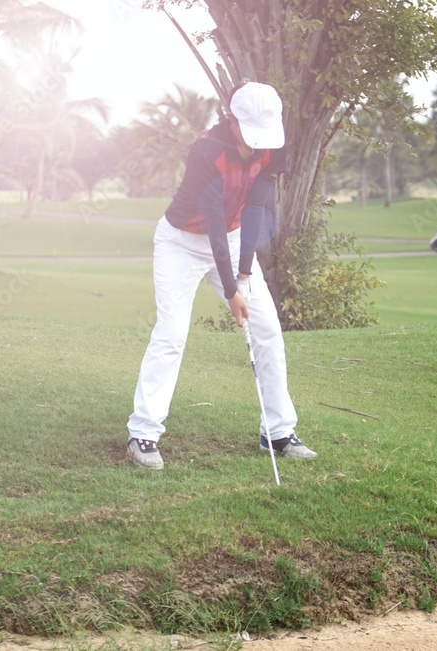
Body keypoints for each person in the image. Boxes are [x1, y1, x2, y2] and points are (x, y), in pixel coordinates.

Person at [126, 82, 316, 471]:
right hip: (183, 242)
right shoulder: (206, 151)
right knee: (172, 333)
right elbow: (212, 218)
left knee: (267, 331)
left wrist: (245, 268)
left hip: (230, 240)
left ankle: (277, 431)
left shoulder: (270, 143)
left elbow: (259, 201)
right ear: (231, 119)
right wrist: (232, 291)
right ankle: (143, 432)